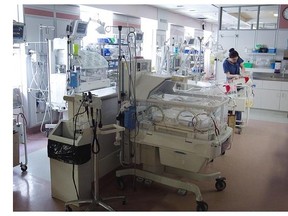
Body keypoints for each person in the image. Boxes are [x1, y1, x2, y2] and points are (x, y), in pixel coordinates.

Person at [223, 48, 245, 126]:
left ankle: (238, 122)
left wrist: (242, 74)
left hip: (238, 83)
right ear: (230, 58)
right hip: (230, 84)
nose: (236, 61)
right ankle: (229, 122)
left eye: (237, 59)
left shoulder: (237, 58)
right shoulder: (225, 63)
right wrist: (235, 75)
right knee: (231, 102)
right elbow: (228, 75)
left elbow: (242, 67)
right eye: (234, 60)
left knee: (239, 102)